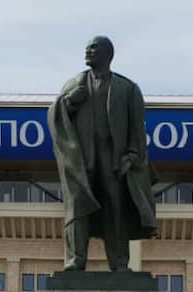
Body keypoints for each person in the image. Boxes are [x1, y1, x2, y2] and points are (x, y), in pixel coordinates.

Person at [48, 35, 157, 272]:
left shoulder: (127, 88)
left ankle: (119, 263)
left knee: (115, 208)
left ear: (108, 53)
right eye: (87, 48)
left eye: (93, 48)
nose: (88, 51)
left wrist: (133, 155)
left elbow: (138, 129)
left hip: (113, 159)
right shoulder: (74, 83)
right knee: (77, 207)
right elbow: (55, 114)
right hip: (82, 159)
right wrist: (69, 103)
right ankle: (75, 260)